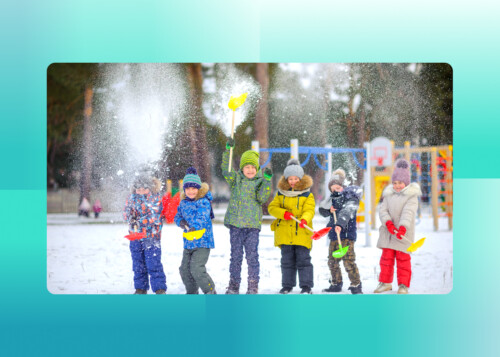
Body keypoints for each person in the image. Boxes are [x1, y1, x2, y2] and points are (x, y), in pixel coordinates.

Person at [222, 138, 273, 294]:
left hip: (252, 227)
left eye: (253, 167)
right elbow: (226, 168)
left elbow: (262, 198)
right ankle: (234, 285)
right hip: (236, 225)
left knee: (252, 257)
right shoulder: (235, 180)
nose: (250, 170)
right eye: (247, 167)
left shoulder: (259, 181)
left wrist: (267, 181)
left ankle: (252, 285)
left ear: (257, 168)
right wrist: (228, 151)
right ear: (242, 168)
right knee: (235, 257)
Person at [375, 159, 421, 294]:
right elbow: (383, 210)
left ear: (406, 183)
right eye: (394, 183)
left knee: (403, 260)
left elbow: (408, 213)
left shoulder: (411, 196)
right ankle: (385, 283)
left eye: (400, 183)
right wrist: (388, 223)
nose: (397, 185)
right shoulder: (388, 195)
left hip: (402, 233)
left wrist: (402, 227)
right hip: (389, 233)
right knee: (386, 259)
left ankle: (403, 285)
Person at [268, 159, 315, 294]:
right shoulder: (280, 193)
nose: (293, 181)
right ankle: (287, 285)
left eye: (295, 179)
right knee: (287, 261)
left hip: (301, 232)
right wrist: (283, 213)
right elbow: (272, 208)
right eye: (290, 179)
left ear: (301, 179)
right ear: (286, 179)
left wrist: (305, 219)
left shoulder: (307, 195)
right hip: (284, 234)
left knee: (304, 260)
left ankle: (306, 286)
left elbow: (309, 210)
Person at [319, 169, 363, 294]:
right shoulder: (332, 198)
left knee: (348, 260)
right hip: (334, 234)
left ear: (343, 187)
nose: (335, 191)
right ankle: (336, 282)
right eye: (333, 189)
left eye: (338, 188)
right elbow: (322, 209)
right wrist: (328, 209)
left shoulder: (351, 197)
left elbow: (347, 212)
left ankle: (356, 284)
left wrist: (340, 224)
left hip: (347, 234)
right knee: (332, 260)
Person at [174, 167, 216, 294]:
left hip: (202, 242)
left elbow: (202, 217)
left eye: (193, 188)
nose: (190, 191)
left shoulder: (204, 202)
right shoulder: (183, 203)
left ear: (198, 189)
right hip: (189, 243)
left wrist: (194, 227)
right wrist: (180, 221)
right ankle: (192, 292)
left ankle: (210, 291)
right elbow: (177, 216)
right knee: (184, 270)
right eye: (187, 188)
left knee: (197, 268)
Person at [123, 174, 167, 294]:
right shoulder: (132, 198)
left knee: (153, 264)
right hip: (135, 237)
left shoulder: (155, 199)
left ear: (150, 187)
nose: (141, 191)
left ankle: (159, 288)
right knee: (138, 264)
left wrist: (139, 221)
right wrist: (130, 217)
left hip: (151, 237)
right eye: (138, 188)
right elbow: (126, 212)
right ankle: (140, 288)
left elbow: (153, 217)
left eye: (144, 188)